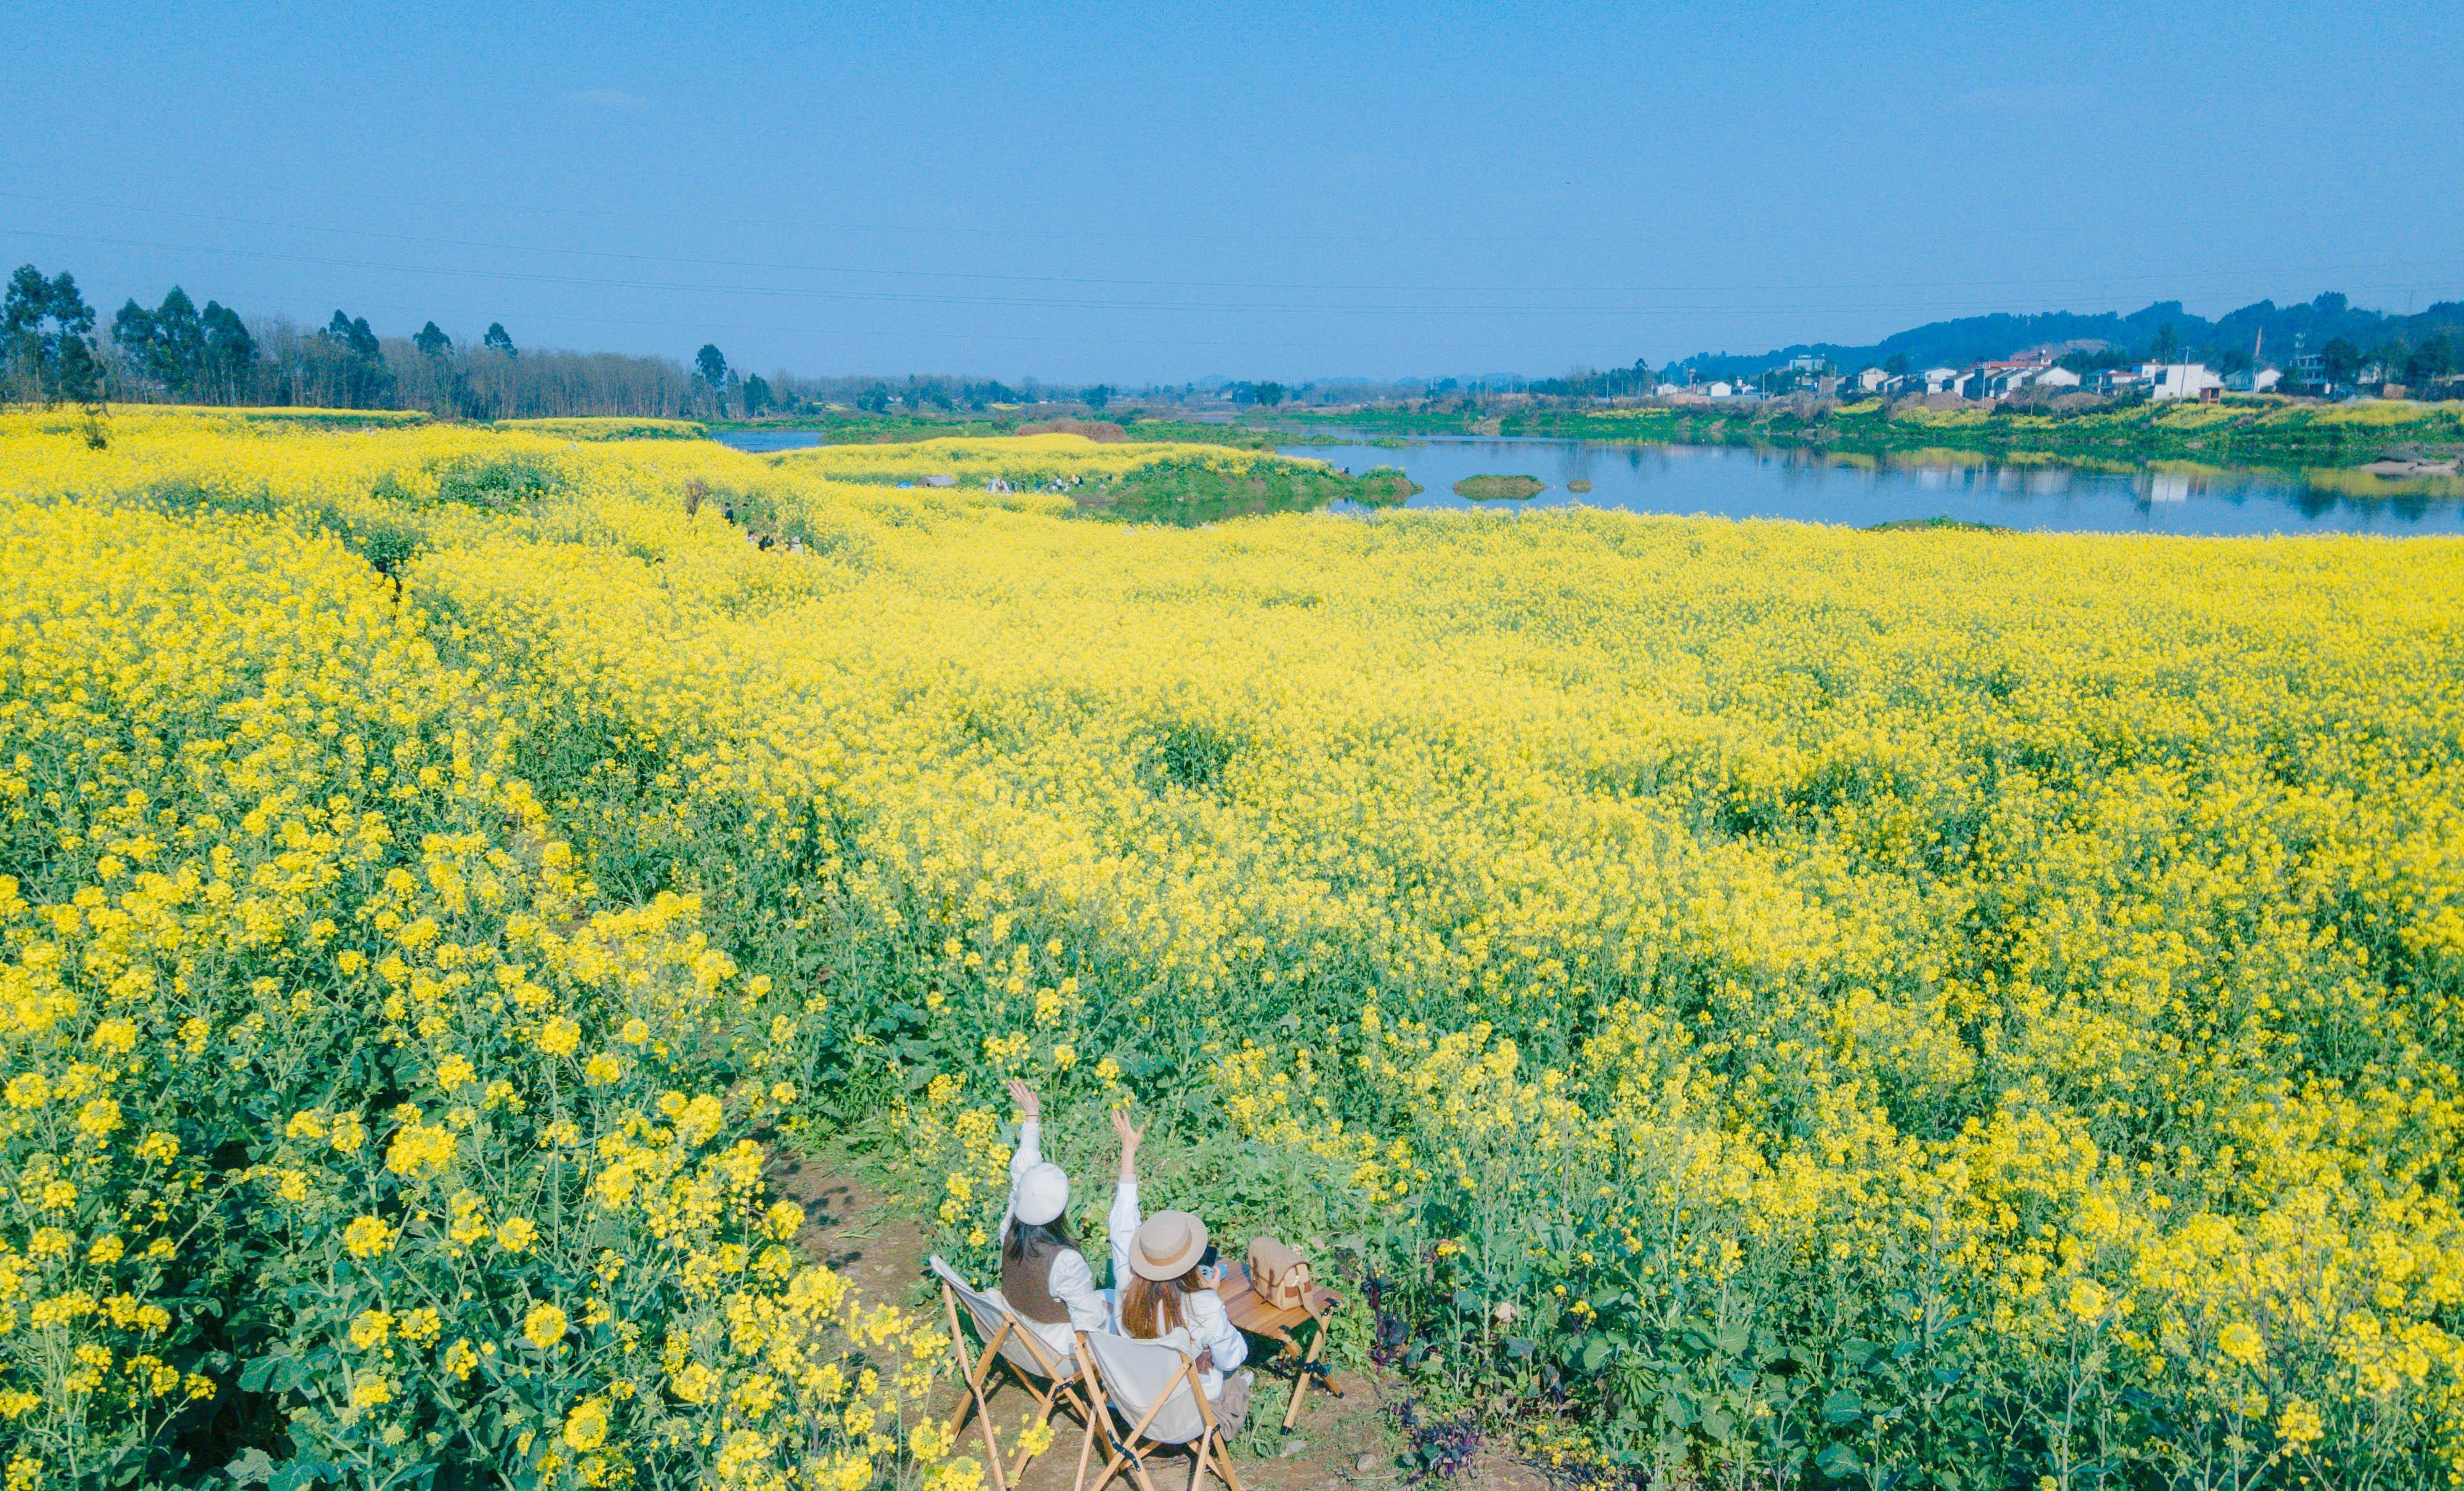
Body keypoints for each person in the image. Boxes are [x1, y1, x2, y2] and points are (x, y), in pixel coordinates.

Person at [1108, 1109, 1251, 1437]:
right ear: (1190, 1262)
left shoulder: (1126, 1282)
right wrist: (1211, 1297)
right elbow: (1232, 1357)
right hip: (1189, 1406)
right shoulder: (1204, 1306)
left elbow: (1121, 1224)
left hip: (1138, 1397)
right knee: (1233, 1373)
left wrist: (1128, 1152)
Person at [997, 1079, 1111, 1362]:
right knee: (1117, 1303)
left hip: (1017, 1335)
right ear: (1061, 1210)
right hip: (1055, 1353)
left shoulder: (1009, 1228)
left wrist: (1031, 1118)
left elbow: (1022, 1178)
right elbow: (1090, 1320)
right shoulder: (1065, 1261)